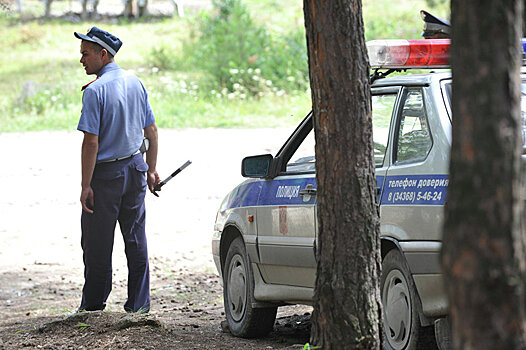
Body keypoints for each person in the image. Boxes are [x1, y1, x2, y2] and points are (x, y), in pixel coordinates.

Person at [74, 26, 161, 313]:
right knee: (136, 238)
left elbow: (91, 142)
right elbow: (152, 131)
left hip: (107, 175)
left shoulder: (95, 91)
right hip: (136, 168)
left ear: (102, 54)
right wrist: (151, 170)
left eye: (85, 54)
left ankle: (94, 305)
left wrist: (86, 185)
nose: (81, 59)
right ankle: (139, 305)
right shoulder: (135, 81)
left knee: (97, 241)